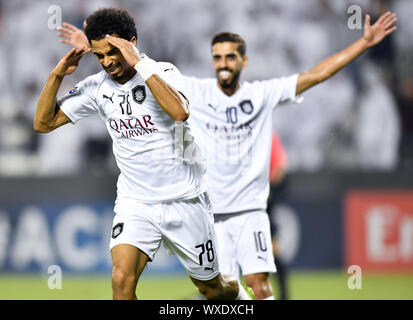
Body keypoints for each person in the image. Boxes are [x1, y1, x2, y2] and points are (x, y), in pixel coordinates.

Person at [58, 10, 397, 299]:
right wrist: (96, 46)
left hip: (243, 207)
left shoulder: (261, 94)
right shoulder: (197, 89)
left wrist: (363, 44)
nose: (223, 63)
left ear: (243, 62)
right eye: (218, 57)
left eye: (230, 57)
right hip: (204, 202)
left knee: (256, 286)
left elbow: (313, 76)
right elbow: (147, 84)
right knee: (210, 288)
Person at [35, 8, 252, 300]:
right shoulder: (97, 88)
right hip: (136, 202)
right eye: (100, 56)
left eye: (113, 52)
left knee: (212, 290)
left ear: (132, 42)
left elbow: (179, 111)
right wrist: (58, 74)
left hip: (185, 199)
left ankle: (235, 292)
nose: (108, 62)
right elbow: (43, 123)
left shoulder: (163, 72)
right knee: (121, 282)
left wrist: (138, 62)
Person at [267, 132, 289, 300]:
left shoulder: (269, 134)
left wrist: (268, 190)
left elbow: (280, 166)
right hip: (242, 200)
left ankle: (285, 296)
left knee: (273, 250)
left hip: (263, 201)